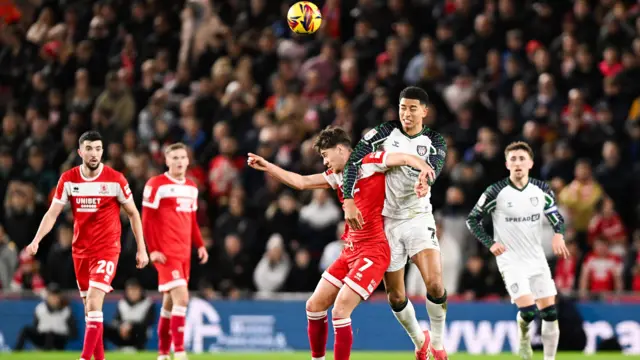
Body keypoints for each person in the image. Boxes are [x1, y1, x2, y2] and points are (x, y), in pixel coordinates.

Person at [247, 126, 432, 360]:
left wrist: (425, 168)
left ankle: (420, 340)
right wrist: (269, 167)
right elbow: (302, 182)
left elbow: (404, 157)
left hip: (373, 251)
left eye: (325, 155)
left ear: (341, 149)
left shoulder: (370, 162)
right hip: (350, 252)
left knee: (341, 310)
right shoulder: (338, 175)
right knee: (314, 306)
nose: (324, 162)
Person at [341, 86, 448, 360]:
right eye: (403, 108)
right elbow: (353, 162)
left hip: (418, 216)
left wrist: (426, 181)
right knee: (396, 297)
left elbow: (433, 166)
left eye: (413, 108)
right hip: (387, 222)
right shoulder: (384, 133)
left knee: (435, 285)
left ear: (424, 111)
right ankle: (419, 341)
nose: (407, 114)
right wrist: (349, 200)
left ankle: (437, 343)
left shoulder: (435, 140)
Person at [26, 130, 149, 360]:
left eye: (98, 149)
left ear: (102, 152)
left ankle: (84, 358)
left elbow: (133, 213)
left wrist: (142, 248)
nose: (94, 154)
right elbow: (52, 213)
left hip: (107, 249)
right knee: (90, 310)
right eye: (90, 149)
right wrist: (36, 240)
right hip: (80, 251)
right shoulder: (68, 179)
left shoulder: (116, 180)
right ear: (80, 151)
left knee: (93, 301)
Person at [466, 141, 571, 360]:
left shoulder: (541, 190)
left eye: (522, 159)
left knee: (550, 313)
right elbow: (472, 220)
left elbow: (556, 216)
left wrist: (558, 234)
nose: (518, 163)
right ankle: (524, 339)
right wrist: (490, 243)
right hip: (510, 260)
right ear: (507, 164)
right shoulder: (496, 192)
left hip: (536, 258)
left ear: (531, 163)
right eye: (513, 159)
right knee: (529, 311)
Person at [142, 142, 208, 360]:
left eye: (182, 157)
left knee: (169, 305)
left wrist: (200, 245)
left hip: (184, 254)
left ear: (188, 160)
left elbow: (191, 221)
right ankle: (179, 351)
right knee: (183, 299)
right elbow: (147, 221)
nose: (179, 161)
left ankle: (162, 354)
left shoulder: (191, 187)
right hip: (165, 253)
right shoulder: (156, 184)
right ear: (166, 160)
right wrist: (152, 250)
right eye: (175, 158)